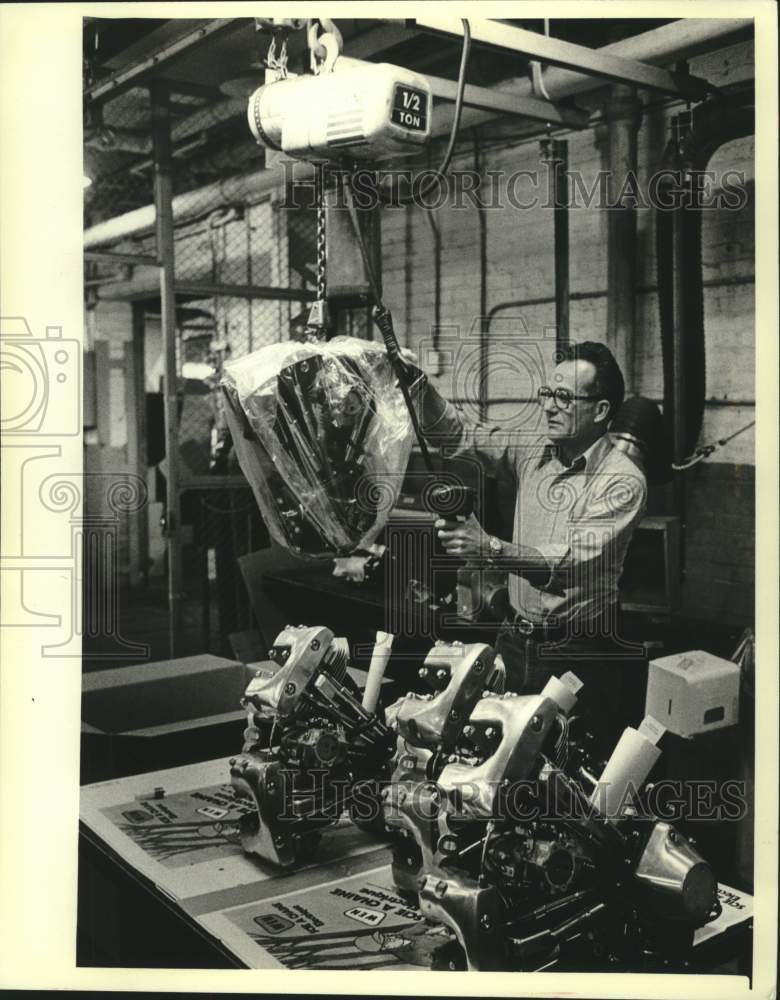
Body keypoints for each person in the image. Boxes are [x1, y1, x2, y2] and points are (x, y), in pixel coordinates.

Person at [409, 341, 648, 722]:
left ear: (601, 410)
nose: (550, 405)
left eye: (565, 397)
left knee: (559, 765)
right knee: (497, 751)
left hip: (577, 650)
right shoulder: (533, 449)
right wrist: (418, 388)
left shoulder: (622, 481)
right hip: (514, 639)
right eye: (548, 393)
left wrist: (486, 546)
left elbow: (569, 562)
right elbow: (459, 435)